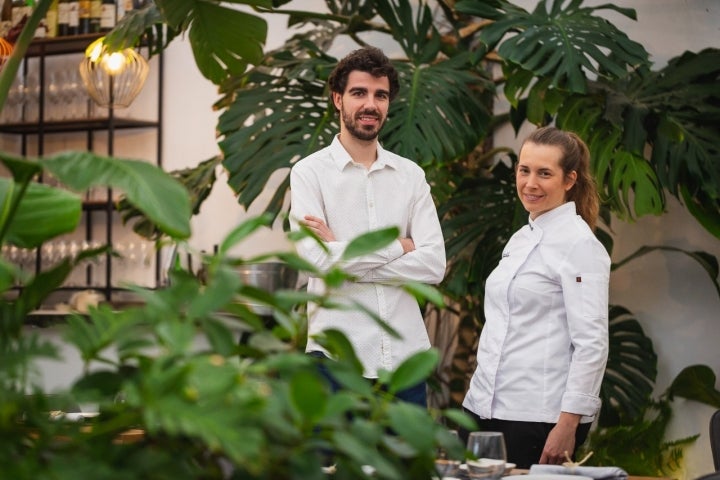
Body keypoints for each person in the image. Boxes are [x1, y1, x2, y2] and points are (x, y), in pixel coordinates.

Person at [288, 46, 446, 407]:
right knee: (334, 466)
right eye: (359, 93)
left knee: (406, 465)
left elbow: (434, 264)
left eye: (381, 95)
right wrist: (399, 246)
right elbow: (316, 262)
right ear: (337, 99)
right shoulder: (309, 174)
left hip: (405, 362)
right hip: (336, 359)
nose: (370, 104)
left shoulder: (410, 176)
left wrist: (343, 254)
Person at [462, 126, 610, 467]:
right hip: (482, 408)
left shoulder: (581, 245)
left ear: (569, 179)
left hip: (537, 419)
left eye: (545, 173)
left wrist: (568, 424)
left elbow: (591, 344)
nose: (530, 183)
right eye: (524, 170)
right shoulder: (521, 238)